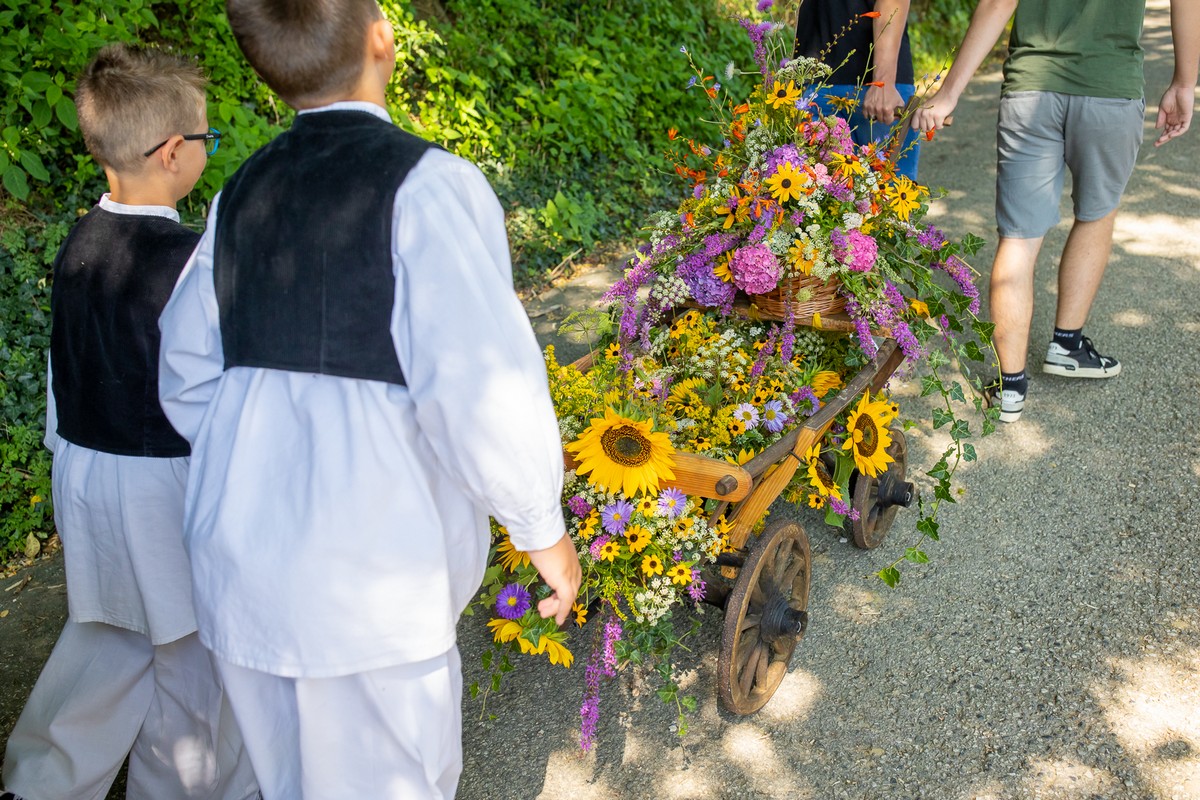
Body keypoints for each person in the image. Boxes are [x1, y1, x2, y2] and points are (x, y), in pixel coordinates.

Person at [156, 0, 582, 797]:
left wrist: (264, 457)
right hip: (375, 578)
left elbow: (184, 370)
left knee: (282, 780)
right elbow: (480, 388)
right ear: (383, 40)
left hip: (246, 565)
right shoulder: (428, 187)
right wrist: (539, 525)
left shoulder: (241, 193)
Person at [0, 44, 258, 800]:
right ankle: (186, 789)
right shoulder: (192, 260)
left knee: (109, 632)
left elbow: (61, 373)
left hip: (84, 468)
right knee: (190, 658)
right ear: (175, 153)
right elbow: (213, 392)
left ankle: (43, 779)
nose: (209, 150)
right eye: (208, 139)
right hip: (162, 485)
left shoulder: (79, 244)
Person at [912, 0, 1199, 422]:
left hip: (1031, 89)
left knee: (1019, 237)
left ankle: (1010, 389)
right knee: (1097, 214)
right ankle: (1066, 345)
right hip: (1110, 87)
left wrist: (949, 93)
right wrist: (1183, 82)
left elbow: (997, 2)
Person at [794, 0, 922, 180]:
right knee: (817, 201)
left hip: (876, 91)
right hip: (813, 81)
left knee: (887, 200)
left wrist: (882, 82)